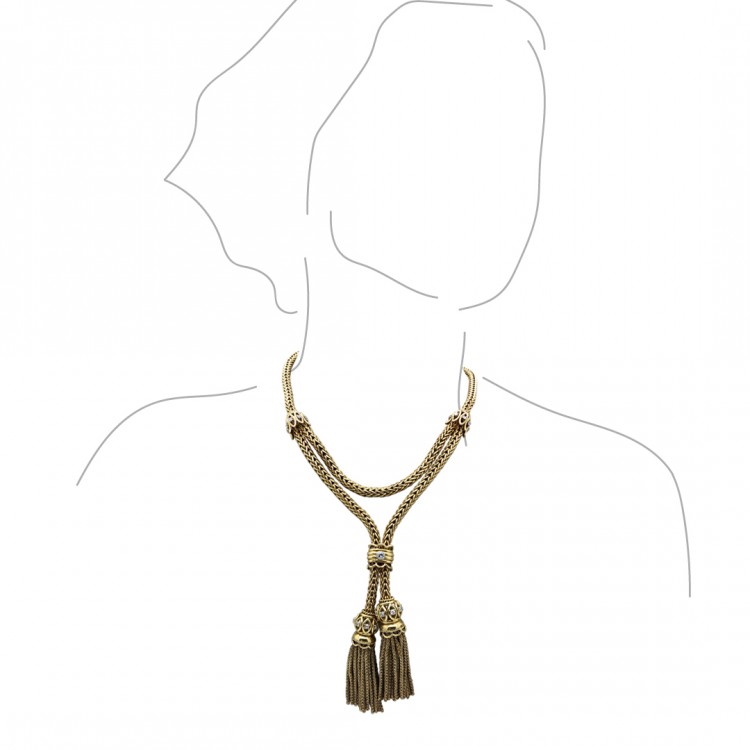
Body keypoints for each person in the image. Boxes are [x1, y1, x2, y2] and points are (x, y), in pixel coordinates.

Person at [78, 0, 688, 726]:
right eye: (431, 121)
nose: (489, 169)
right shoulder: (149, 469)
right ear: (310, 161)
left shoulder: (620, 494)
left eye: (515, 134)